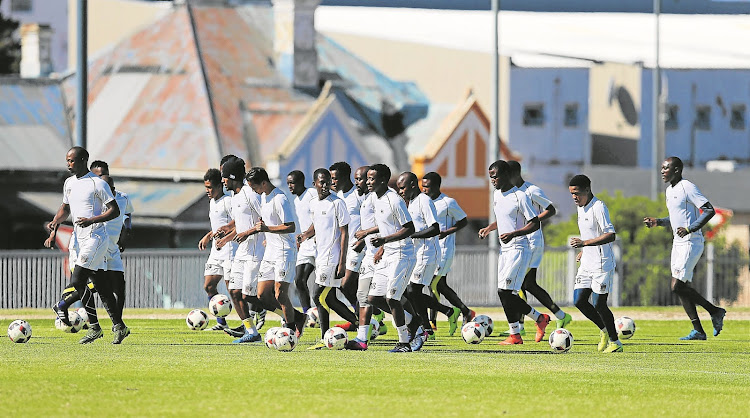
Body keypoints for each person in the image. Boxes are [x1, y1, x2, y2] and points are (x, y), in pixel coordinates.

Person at [45, 146, 123, 344]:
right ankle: (116, 326)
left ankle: (62, 306)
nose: (68, 164)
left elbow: (114, 211)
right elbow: (65, 209)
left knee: (77, 281)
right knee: (101, 286)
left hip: (95, 238)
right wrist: (55, 226)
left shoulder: (97, 183)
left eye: (71, 161)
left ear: (82, 160)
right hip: (77, 240)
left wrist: (92, 220)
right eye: (67, 160)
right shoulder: (69, 183)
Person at [644, 156, 726, 340]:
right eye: (662, 168)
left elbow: (709, 210)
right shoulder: (669, 190)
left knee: (677, 286)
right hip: (678, 243)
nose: (662, 171)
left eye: (666, 168)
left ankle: (715, 311)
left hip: (691, 242)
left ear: (677, 170)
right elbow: (675, 219)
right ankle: (698, 330)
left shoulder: (687, 187)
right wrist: (658, 222)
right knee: (682, 286)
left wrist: (691, 228)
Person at [478, 160, 550, 345]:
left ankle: (535, 321)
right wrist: (489, 228)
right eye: (490, 176)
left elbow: (535, 222)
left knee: (506, 291)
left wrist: (515, 233)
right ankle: (517, 334)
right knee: (503, 292)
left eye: (496, 176)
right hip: (505, 250)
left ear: (506, 175)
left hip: (519, 248)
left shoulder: (520, 196)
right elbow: (503, 218)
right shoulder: (496, 195)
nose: (492, 180)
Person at [505, 161, 571, 336]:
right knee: (528, 284)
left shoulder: (532, 190)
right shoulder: (512, 193)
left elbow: (551, 210)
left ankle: (520, 327)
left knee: (518, 283)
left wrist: (532, 220)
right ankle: (560, 314)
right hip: (521, 241)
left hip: (533, 241)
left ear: (514, 174)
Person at [298, 168, 359, 349]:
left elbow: (344, 233)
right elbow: (316, 226)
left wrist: (342, 261)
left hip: (332, 259)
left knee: (317, 296)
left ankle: (329, 335)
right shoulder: (314, 204)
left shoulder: (337, 203)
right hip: (320, 256)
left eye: (327, 182)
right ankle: (360, 323)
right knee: (329, 299)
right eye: (321, 182)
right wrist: (304, 236)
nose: (325, 185)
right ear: (314, 184)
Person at [366, 164, 424, 353]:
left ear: (383, 180)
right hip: (388, 253)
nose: (368, 182)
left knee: (392, 298)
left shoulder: (395, 200)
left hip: (402, 254)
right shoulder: (375, 198)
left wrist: (384, 239)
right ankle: (414, 320)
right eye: (367, 178)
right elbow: (387, 226)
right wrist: (382, 246)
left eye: (372, 178)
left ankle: (404, 342)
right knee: (374, 298)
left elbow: (409, 228)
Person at [397, 172, 460, 340]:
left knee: (412, 290)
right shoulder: (410, 203)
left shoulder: (424, 201)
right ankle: (444, 314)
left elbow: (435, 228)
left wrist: (412, 235)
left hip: (427, 252)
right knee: (409, 292)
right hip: (416, 253)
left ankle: (425, 328)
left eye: (402, 187)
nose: (400, 191)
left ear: (412, 185)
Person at [246, 167, 307, 336]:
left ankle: (289, 330)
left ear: (264, 183)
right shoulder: (264, 197)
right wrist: (267, 234)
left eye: (254, 187)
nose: (254, 191)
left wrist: (268, 229)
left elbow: (290, 226)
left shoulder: (280, 199)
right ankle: (298, 317)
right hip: (271, 251)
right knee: (262, 295)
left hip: (284, 251)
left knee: (280, 293)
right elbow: (270, 222)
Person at [568, 174, 623, 353]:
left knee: (599, 304)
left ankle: (616, 342)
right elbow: (590, 233)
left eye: (577, 193)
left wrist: (584, 243)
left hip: (602, 263)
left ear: (587, 190)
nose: (574, 197)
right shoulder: (580, 208)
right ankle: (605, 330)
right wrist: (584, 250)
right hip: (587, 263)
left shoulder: (599, 207)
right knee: (579, 301)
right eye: (571, 194)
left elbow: (610, 235)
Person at [421, 172, 476, 333]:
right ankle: (465, 311)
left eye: (427, 187)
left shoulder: (448, 202)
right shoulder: (423, 202)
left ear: (437, 186)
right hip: (429, 250)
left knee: (433, 284)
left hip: (445, 249)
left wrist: (447, 232)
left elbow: (463, 221)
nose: (424, 189)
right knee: (440, 285)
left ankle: (432, 321)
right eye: (422, 186)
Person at [220, 159, 265, 343]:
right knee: (234, 291)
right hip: (242, 251)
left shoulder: (250, 194)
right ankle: (252, 332)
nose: (222, 180)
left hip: (256, 251)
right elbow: (240, 225)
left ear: (232, 177)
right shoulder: (235, 198)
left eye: (224, 176)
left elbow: (265, 218)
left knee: (252, 295)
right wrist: (226, 236)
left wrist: (253, 234)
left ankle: (290, 316)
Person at [198, 168, 241, 336]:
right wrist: (208, 236)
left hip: (229, 250)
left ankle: (250, 320)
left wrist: (226, 239)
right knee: (209, 286)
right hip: (216, 251)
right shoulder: (212, 202)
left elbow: (238, 224)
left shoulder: (228, 202)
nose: (208, 191)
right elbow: (218, 226)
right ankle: (221, 322)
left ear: (219, 186)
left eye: (210, 188)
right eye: (206, 187)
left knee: (234, 291)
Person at [330, 162, 367, 330]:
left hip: (358, 247)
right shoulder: (337, 197)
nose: (333, 181)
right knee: (349, 288)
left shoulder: (359, 195)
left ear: (345, 177)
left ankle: (363, 321)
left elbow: (370, 219)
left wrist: (364, 240)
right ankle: (363, 319)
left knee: (346, 285)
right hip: (343, 249)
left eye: (335, 178)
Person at [99, 174, 134, 341]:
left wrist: (125, 235)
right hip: (98, 248)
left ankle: (118, 325)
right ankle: (64, 305)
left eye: (110, 188)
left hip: (112, 248)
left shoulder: (122, 198)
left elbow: (127, 216)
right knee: (96, 286)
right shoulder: (94, 200)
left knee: (119, 287)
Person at [287, 170, 318, 314]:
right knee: (299, 280)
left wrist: (308, 234)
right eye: (288, 183)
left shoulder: (312, 194)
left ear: (301, 182)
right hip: (306, 244)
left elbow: (319, 218)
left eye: (292, 183)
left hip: (319, 243)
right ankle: (307, 314)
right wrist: (302, 236)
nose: (290, 186)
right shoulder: (296, 200)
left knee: (324, 285)